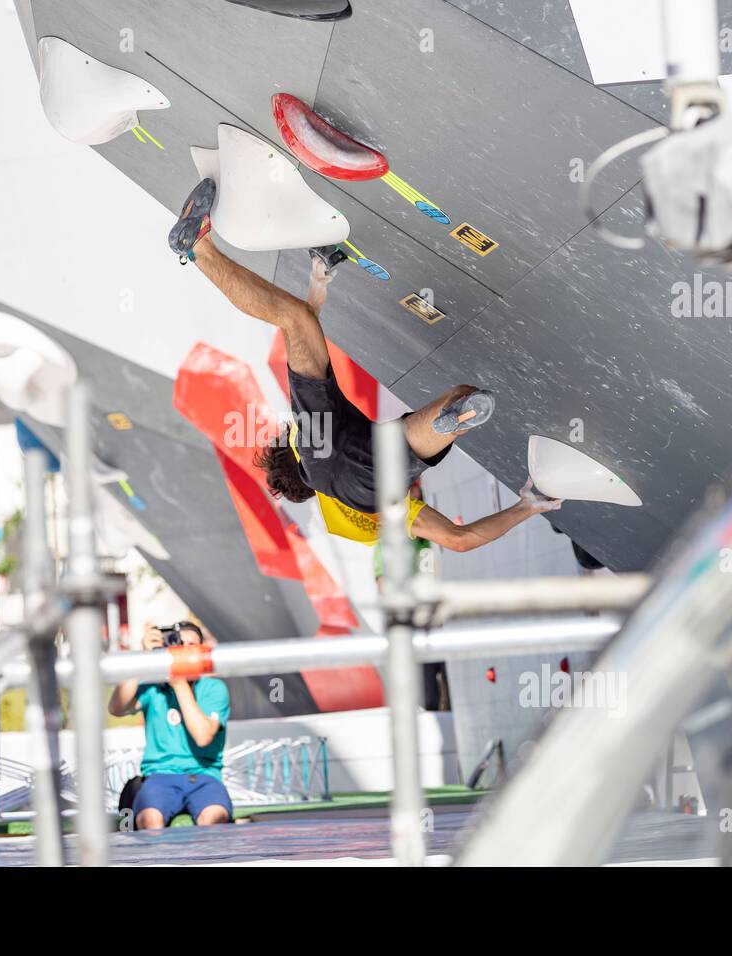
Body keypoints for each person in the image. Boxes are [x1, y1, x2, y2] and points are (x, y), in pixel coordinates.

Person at [169, 177, 563, 552]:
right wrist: (315, 290)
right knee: (294, 321)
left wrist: (527, 506)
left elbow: (458, 540)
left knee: (454, 406)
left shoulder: (355, 528)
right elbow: (303, 350)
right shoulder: (300, 447)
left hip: (369, 488)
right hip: (319, 447)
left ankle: (453, 415)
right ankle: (199, 248)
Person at [107, 621, 232, 829]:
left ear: (203, 650)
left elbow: (203, 737)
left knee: (215, 818)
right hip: (160, 776)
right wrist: (143, 657)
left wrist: (179, 683)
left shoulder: (214, 688)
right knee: (148, 820)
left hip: (204, 775)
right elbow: (116, 707)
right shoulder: (152, 686)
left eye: (192, 645)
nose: (185, 650)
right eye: (178, 643)